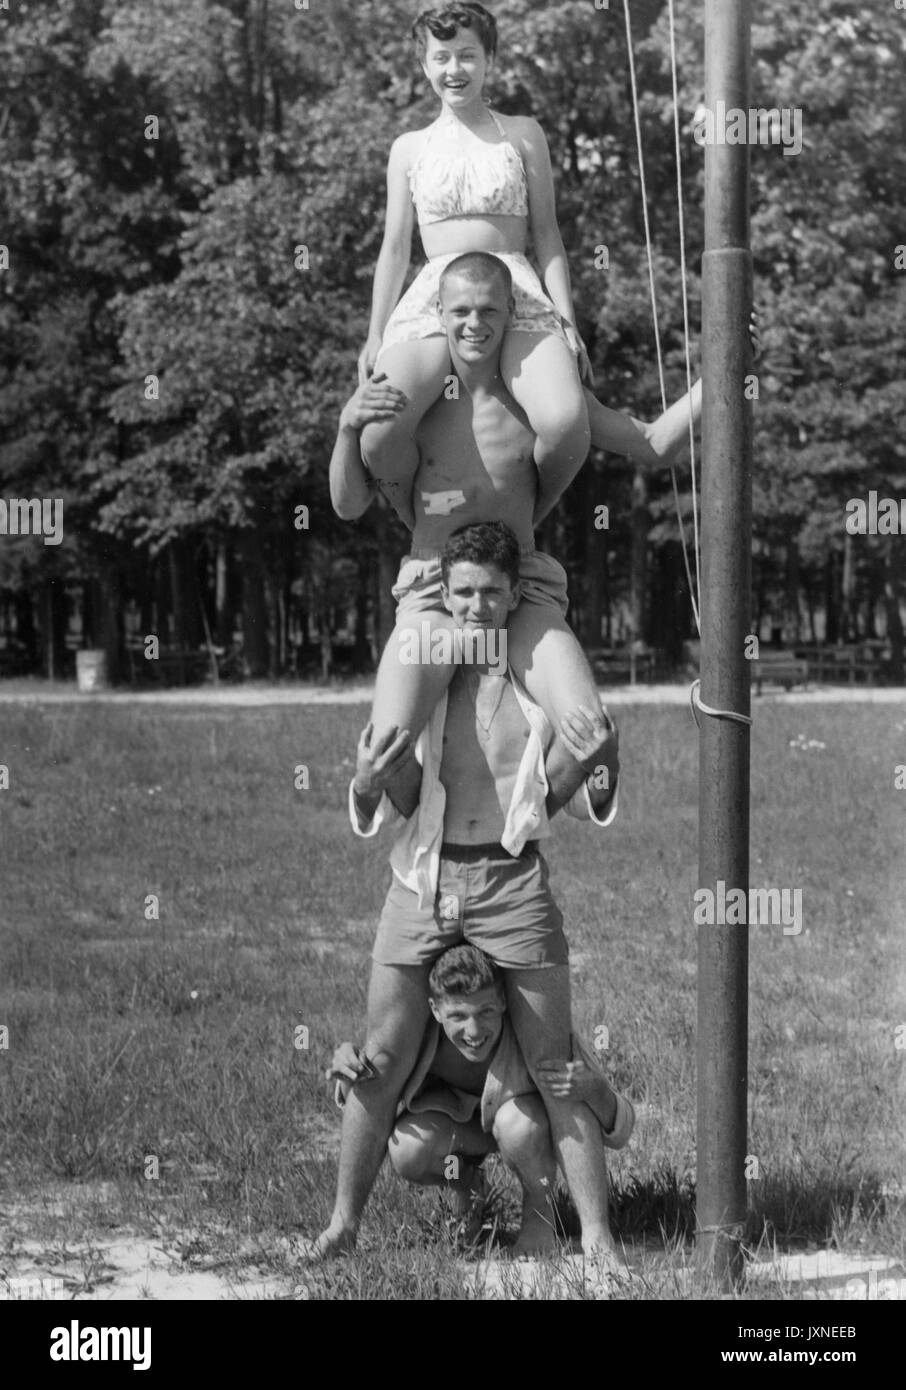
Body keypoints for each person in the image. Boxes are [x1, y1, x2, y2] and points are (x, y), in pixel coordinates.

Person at [302, 521, 624, 1266]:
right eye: (464, 592)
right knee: (379, 1056)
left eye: (492, 593)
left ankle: (594, 1235)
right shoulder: (426, 675)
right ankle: (343, 1224)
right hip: (425, 874)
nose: (478, 607)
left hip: (511, 879)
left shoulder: (534, 678)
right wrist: (367, 780)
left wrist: (598, 757)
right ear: (443, 595)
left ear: (516, 594)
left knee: (554, 1065)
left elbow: (561, 799)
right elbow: (407, 797)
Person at [331, 250, 701, 806]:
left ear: (512, 313)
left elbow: (656, 443)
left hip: (521, 585)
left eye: (489, 312)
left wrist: (728, 364)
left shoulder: (537, 401)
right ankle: (370, 796)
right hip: (434, 588)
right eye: (459, 312)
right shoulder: (407, 403)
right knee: (383, 752)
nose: (474, 326)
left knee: (590, 731)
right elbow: (347, 505)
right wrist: (344, 429)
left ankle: (532, 822)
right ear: (437, 310)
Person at [358, 2, 593, 521]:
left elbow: (548, 235)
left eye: (467, 55)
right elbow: (395, 248)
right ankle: (417, 521)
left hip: (516, 292)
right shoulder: (408, 148)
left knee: (565, 422)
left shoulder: (523, 133)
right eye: (441, 57)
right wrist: (376, 333)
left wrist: (568, 321)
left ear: (489, 59)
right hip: (434, 295)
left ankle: (526, 516)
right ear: (424, 65)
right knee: (377, 430)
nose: (454, 70)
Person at [328, 943, 635, 1257]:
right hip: (461, 1136)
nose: (473, 1030)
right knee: (409, 1151)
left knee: (519, 1125)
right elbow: (376, 1091)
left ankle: (539, 1216)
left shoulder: (537, 1034)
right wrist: (350, 1069)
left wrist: (594, 1089)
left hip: (525, 1133)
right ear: (435, 1009)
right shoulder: (415, 1039)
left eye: (485, 1011)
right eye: (458, 1015)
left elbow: (622, 1129)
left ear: (503, 1000)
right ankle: (466, 1183)